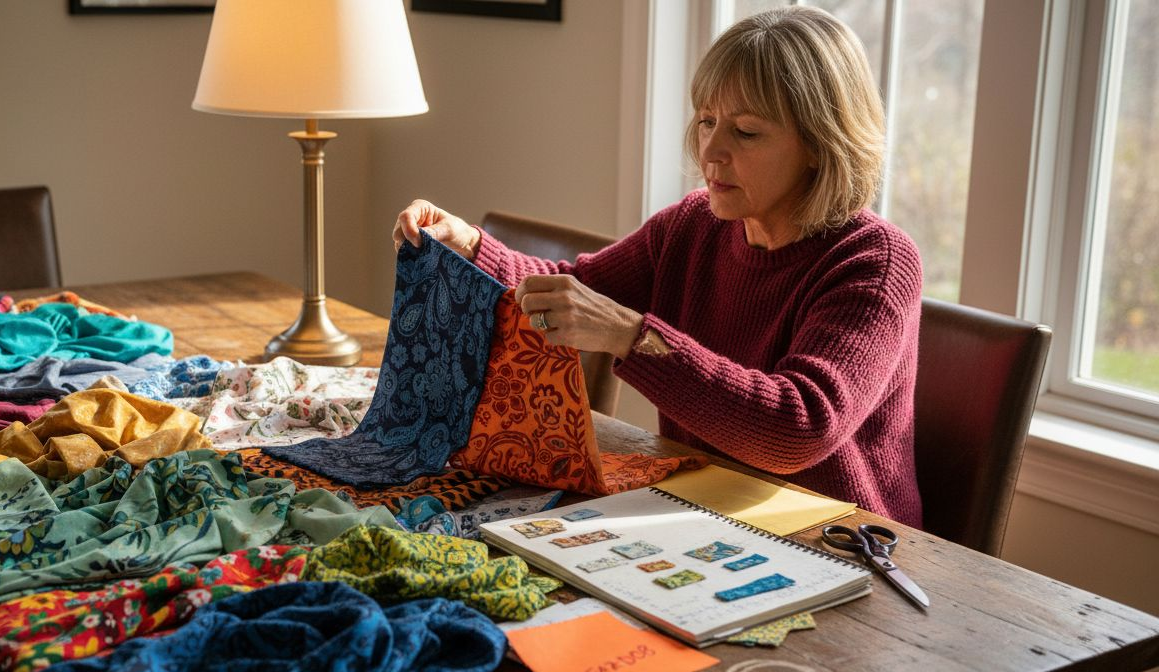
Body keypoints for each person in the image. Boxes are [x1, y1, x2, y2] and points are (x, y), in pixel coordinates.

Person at [391, 7, 923, 528]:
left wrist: (633, 337)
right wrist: (471, 246)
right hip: (704, 510)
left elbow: (799, 428)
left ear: (819, 143)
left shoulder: (875, 262)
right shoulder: (694, 225)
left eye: (747, 131)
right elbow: (576, 287)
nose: (710, 151)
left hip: (844, 542)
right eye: (707, 121)